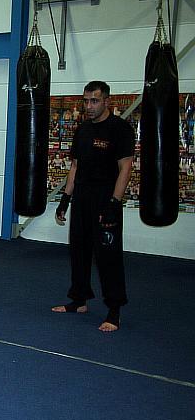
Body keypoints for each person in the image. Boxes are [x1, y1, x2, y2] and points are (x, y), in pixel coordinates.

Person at [52, 81, 134, 332]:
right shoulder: (83, 130)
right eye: (86, 101)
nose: (89, 106)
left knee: (107, 256)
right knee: (79, 250)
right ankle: (79, 300)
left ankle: (114, 310)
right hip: (83, 198)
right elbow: (75, 167)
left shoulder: (119, 129)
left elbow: (126, 167)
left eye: (94, 101)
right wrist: (66, 199)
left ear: (107, 101)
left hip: (105, 199)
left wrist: (114, 202)